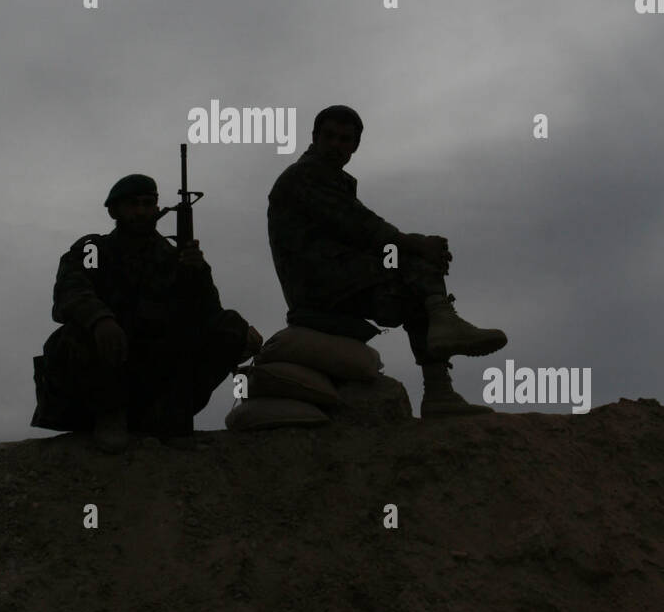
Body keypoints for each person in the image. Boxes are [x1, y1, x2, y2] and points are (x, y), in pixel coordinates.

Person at [267, 106, 507, 418]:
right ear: (314, 138)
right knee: (410, 260)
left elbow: (362, 234)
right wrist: (415, 245)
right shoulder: (305, 176)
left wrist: (412, 246)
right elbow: (362, 226)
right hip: (317, 285)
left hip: (336, 279)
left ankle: (438, 387)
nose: (336, 145)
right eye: (329, 137)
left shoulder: (331, 180)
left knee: (414, 291)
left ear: (355, 146)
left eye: (345, 139)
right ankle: (443, 320)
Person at [32, 174, 262, 451]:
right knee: (79, 330)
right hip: (107, 361)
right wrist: (99, 319)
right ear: (114, 210)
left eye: (147, 203)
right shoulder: (94, 249)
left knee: (230, 326)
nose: (141, 211)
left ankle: (168, 417)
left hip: (156, 367)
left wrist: (198, 274)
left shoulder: (173, 258)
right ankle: (109, 413)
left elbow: (207, 314)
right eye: (132, 204)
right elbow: (71, 291)